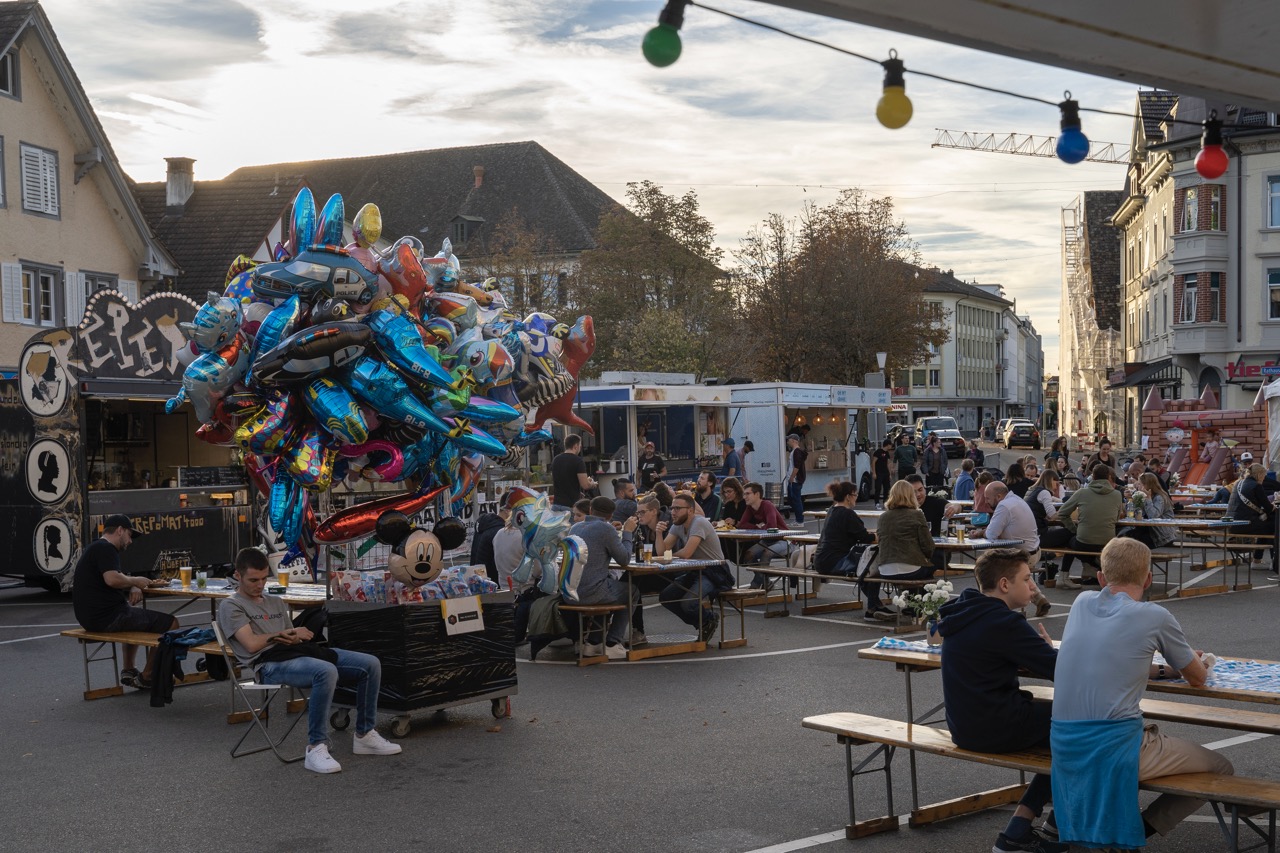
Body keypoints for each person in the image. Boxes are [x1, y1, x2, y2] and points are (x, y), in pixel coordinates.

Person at [1050, 538, 1232, 848]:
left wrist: (1168, 669)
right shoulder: (1154, 615)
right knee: (1221, 767)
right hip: (1113, 746)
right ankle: (1143, 827)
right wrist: (1189, 661)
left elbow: (1113, 659)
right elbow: (1199, 679)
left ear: (1101, 578)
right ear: (1148, 579)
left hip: (1064, 743)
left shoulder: (1081, 603)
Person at [218, 548, 402, 774]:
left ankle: (364, 734)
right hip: (267, 664)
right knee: (324, 671)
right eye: (253, 580)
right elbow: (252, 645)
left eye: (265, 578)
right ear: (238, 575)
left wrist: (297, 634)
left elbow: (289, 638)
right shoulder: (231, 605)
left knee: (370, 663)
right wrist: (281, 636)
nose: (260, 585)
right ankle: (316, 746)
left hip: (295, 653)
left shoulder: (274, 601)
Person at [938, 548, 1063, 853]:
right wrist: (1048, 650)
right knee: (1084, 728)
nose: (1032, 586)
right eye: (1026, 578)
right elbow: (1062, 670)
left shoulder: (963, 611)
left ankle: (1052, 821)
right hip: (995, 725)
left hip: (963, 724)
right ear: (1005, 585)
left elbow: (989, 654)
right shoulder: (1004, 622)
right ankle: (1019, 831)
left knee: (1064, 728)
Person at [71, 514, 175, 690]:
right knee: (172, 623)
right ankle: (148, 675)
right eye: (129, 535)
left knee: (133, 616)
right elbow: (112, 579)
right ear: (120, 530)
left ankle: (128, 670)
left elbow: (114, 577)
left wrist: (131, 586)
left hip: (90, 617)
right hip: (107, 617)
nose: (130, 541)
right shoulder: (106, 549)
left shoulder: (96, 547)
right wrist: (135, 581)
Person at [655, 492, 734, 642]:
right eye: (672, 508)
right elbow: (661, 551)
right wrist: (658, 533)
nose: (673, 512)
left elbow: (686, 553)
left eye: (677, 508)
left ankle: (708, 620)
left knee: (689, 602)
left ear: (690, 510)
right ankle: (705, 622)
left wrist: (669, 556)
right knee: (666, 597)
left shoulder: (699, 522)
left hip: (714, 571)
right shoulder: (678, 525)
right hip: (695, 570)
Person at [569, 497, 639, 660]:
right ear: (610, 515)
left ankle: (593, 642)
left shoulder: (575, 527)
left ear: (591, 510)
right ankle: (613, 643)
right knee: (632, 591)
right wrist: (628, 532)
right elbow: (624, 559)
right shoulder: (606, 530)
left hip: (571, 592)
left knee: (607, 591)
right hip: (592, 591)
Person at [862, 480, 936, 620]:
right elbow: (928, 546)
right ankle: (919, 607)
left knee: (914, 567)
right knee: (934, 564)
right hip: (910, 568)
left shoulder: (883, 517)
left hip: (885, 570)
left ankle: (911, 605)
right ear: (910, 495)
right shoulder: (917, 514)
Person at [982, 481, 1050, 617]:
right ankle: (1039, 599)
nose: (986, 502)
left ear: (999, 496)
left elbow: (991, 534)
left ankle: (994, 608)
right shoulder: (1017, 499)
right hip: (1035, 550)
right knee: (1008, 565)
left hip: (1022, 554)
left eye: (988, 498)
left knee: (989, 566)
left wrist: (980, 532)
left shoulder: (1004, 506)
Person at [1055, 463, 1124, 585]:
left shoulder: (1082, 492)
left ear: (1092, 476)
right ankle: (1095, 568)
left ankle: (1064, 576)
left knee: (1070, 540)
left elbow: (1062, 513)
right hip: (1108, 542)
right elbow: (1117, 518)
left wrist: (1073, 528)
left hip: (1084, 541)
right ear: (1108, 477)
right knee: (1089, 543)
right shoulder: (1117, 494)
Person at [811, 480, 874, 575]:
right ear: (848, 497)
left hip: (820, 561)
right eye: (855, 495)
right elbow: (864, 537)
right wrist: (877, 536)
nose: (856, 498)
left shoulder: (831, 510)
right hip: (835, 562)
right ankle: (871, 590)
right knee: (870, 565)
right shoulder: (847, 513)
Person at [1027, 470, 1075, 589]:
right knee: (1072, 533)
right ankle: (1064, 575)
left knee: (1069, 539)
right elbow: (1052, 514)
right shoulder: (1044, 493)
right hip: (1038, 536)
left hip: (1033, 534)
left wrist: (1064, 503)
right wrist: (1068, 511)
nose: (1057, 485)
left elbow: (1054, 500)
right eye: (1056, 481)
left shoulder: (1036, 491)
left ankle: (1063, 575)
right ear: (1050, 480)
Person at [1226, 462, 1279, 563]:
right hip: (1245, 524)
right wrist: (1275, 505)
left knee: (1265, 526)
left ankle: (1257, 560)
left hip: (1231, 525)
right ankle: (1274, 561)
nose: (1264, 478)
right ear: (1259, 475)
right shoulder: (1256, 486)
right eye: (1263, 476)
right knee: (1273, 527)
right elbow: (1268, 508)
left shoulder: (1238, 483)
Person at [739, 481, 791, 581]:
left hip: (784, 539)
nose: (744, 497)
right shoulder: (750, 508)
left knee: (767, 553)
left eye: (747, 494)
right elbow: (742, 524)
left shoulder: (767, 505)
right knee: (748, 555)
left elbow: (771, 526)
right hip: (767, 540)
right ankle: (765, 580)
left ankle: (756, 585)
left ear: (757, 494)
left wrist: (760, 527)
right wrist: (759, 527)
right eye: (744, 494)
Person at [1119, 472, 1177, 550]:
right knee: (1125, 537)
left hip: (1161, 536)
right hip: (1148, 531)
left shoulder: (1159, 497)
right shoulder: (1140, 495)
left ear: (1147, 485)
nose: (1137, 486)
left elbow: (1153, 516)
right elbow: (1131, 514)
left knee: (1132, 543)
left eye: (1140, 484)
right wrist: (1129, 500)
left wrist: (1148, 499)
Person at [551, 434, 595, 509]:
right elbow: (585, 485)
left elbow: (563, 480)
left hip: (556, 505)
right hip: (571, 506)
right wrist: (593, 484)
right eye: (580, 446)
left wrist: (577, 492)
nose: (580, 448)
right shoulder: (578, 461)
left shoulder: (556, 459)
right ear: (575, 446)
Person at [469, 509, 505, 581]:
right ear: (507, 511)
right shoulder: (500, 530)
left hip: (479, 573)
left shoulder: (484, 524)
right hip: (492, 578)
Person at [785, 433, 808, 523]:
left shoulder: (796, 451)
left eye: (789, 440)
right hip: (793, 479)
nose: (787, 442)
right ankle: (798, 519)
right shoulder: (794, 451)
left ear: (794, 441)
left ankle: (799, 521)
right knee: (792, 499)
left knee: (796, 500)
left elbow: (796, 466)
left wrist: (792, 477)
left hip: (795, 480)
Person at [872, 439, 893, 508]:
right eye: (890, 445)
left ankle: (885, 502)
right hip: (879, 473)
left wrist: (889, 474)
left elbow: (888, 463)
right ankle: (877, 503)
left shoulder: (887, 453)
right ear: (887, 445)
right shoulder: (878, 452)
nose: (891, 446)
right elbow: (873, 462)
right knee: (878, 488)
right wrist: (874, 473)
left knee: (886, 488)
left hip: (885, 473)